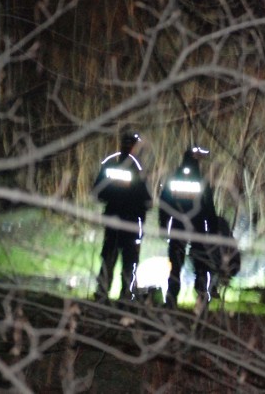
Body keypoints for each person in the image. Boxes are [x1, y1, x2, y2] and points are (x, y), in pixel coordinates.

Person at [92, 131, 152, 303]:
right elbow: (146, 200)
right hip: (131, 224)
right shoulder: (137, 168)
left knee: (108, 259)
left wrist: (113, 198)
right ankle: (126, 296)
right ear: (134, 146)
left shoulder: (109, 164)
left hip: (112, 221)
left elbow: (97, 193)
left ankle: (101, 294)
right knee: (129, 263)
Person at [159, 146, 219, 312]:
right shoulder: (200, 180)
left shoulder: (173, 178)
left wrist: (163, 225)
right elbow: (209, 207)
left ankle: (171, 301)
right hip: (197, 227)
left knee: (175, 266)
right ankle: (201, 298)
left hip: (178, 227)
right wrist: (212, 230)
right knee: (200, 264)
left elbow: (164, 204)